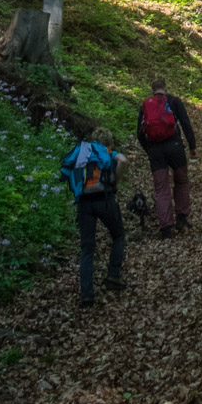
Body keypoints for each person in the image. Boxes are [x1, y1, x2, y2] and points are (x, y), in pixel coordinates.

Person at [65, 128, 127, 307]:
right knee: (118, 235)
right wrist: (115, 181)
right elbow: (122, 160)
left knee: (87, 248)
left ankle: (86, 294)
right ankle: (113, 275)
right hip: (104, 199)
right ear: (109, 142)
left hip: (84, 203)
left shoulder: (82, 152)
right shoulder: (107, 151)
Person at [137, 77, 197, 239]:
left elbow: (140, 133)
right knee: (182, 182)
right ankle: (182, 218)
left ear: (152, 90)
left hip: (156, 150)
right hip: (175, 147)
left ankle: (166, 228)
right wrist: (192, 146)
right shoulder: (174, 101)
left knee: (161, 188)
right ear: (165, 88)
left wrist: (149, 150)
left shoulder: (146, 105)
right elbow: (185, 123)